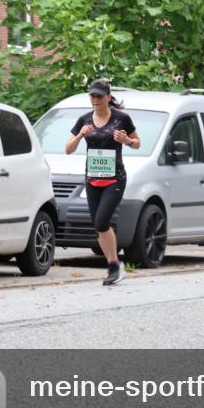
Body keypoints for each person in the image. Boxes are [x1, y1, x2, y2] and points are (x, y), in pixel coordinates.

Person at [66, 80, 140, 285]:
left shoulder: (121, 119)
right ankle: (113, 266)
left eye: (100, 96)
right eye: (93, 96)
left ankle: (114, 265)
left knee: (101, 221)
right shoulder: (84, 120)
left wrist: (126, 141)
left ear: (108, 97)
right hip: (92, 179)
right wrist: (81, 135)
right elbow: (68, 149)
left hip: (115, 178)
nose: (96, 100)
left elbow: (137, 143)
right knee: (99, 226)